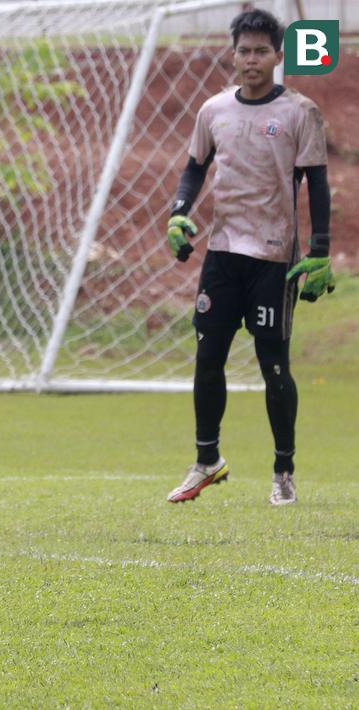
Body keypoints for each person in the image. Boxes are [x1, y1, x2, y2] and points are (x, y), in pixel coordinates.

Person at [165, 9, 332, 506]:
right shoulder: (213, 109)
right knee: (207, 359)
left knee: (273, 365)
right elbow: (194, 169)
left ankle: (283, 471)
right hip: (222, 253)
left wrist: (321, 252)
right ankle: (206, 461)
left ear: (279, 56)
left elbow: (317, 184)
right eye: (244, 51)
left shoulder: (300, 112)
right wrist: (178, 213)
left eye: (262, 51)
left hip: (274, 258)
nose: (252, 60)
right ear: (233, 55)